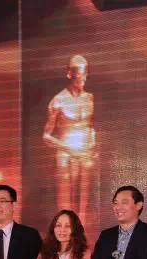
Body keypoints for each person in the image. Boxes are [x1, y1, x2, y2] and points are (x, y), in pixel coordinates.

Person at [43, 54, 95, 219]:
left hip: (85, 153)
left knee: (83, 206)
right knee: (66, 206)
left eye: (84, 74)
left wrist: (92, 143)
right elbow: (46, 136)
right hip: (66, 152)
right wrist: (69, 148)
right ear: (70, 74)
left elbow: (91, 126)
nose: (82, 78)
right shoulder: (58, 100)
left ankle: (82, 232)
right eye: (78, 74)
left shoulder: (89, 98)